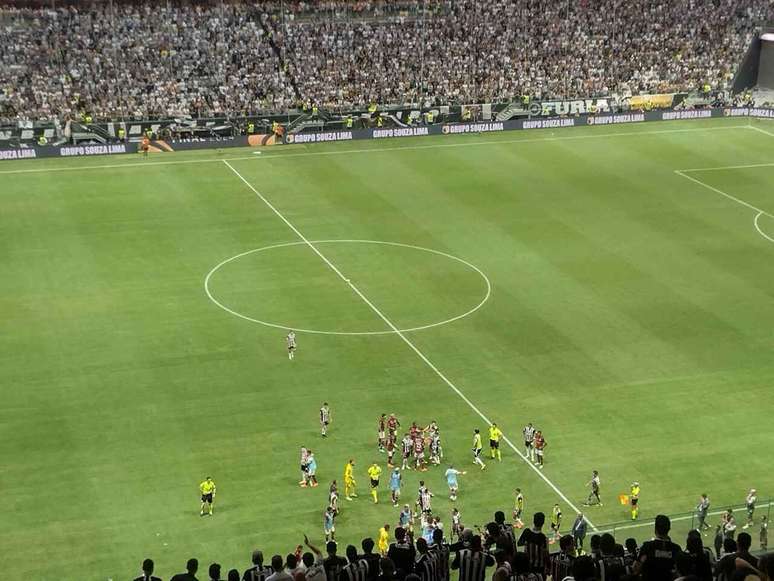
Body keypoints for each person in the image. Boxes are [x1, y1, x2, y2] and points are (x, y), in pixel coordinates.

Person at [636, 514, 681, 580]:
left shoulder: (647, 547)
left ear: (655, 529)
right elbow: (679, 573)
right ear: (669, 529)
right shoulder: (676, 549)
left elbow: (636, 569)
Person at [517, 512, 549, 577]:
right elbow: (546, 555)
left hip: (527, 566)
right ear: (543, 523)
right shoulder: (543, 538)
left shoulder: (527, 532)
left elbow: (519, 543)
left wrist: (528, 543)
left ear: (533, 521)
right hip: (539, 568)